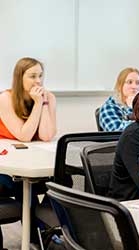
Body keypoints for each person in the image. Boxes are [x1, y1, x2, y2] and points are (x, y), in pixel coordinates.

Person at [0, 57, 56, 244]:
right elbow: (24, 135)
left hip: (32, 162)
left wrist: (45, 103)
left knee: (64, 179)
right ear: (19, 77)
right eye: (32, 76)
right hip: (7, 167)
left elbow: (46, 135)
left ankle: (40, 233)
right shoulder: (5, 98)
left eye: (40, 76)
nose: (38, 81)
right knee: (24, 187)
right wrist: (38, 105)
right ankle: (37, 238)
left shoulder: (48, 98)